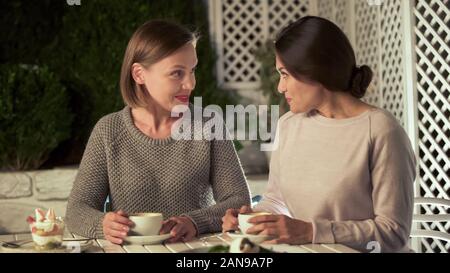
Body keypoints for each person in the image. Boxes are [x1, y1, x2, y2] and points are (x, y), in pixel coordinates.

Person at [221, 16, 416, 253]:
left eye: (285, 75)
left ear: (316, 72)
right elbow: (276, 201)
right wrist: (252, 219)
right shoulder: (289, 125)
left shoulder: (381, 130)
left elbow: (393, 232)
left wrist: (311, 231)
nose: (280, 88)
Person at [66, 20, 251, 244]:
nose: (190, 83)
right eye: (177, 73)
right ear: (139, 74)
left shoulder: (208, 124)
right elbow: (77, 211)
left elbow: (239, 200)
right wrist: (102, 224)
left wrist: (195, 221)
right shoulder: (108, 130)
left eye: (192, 71)